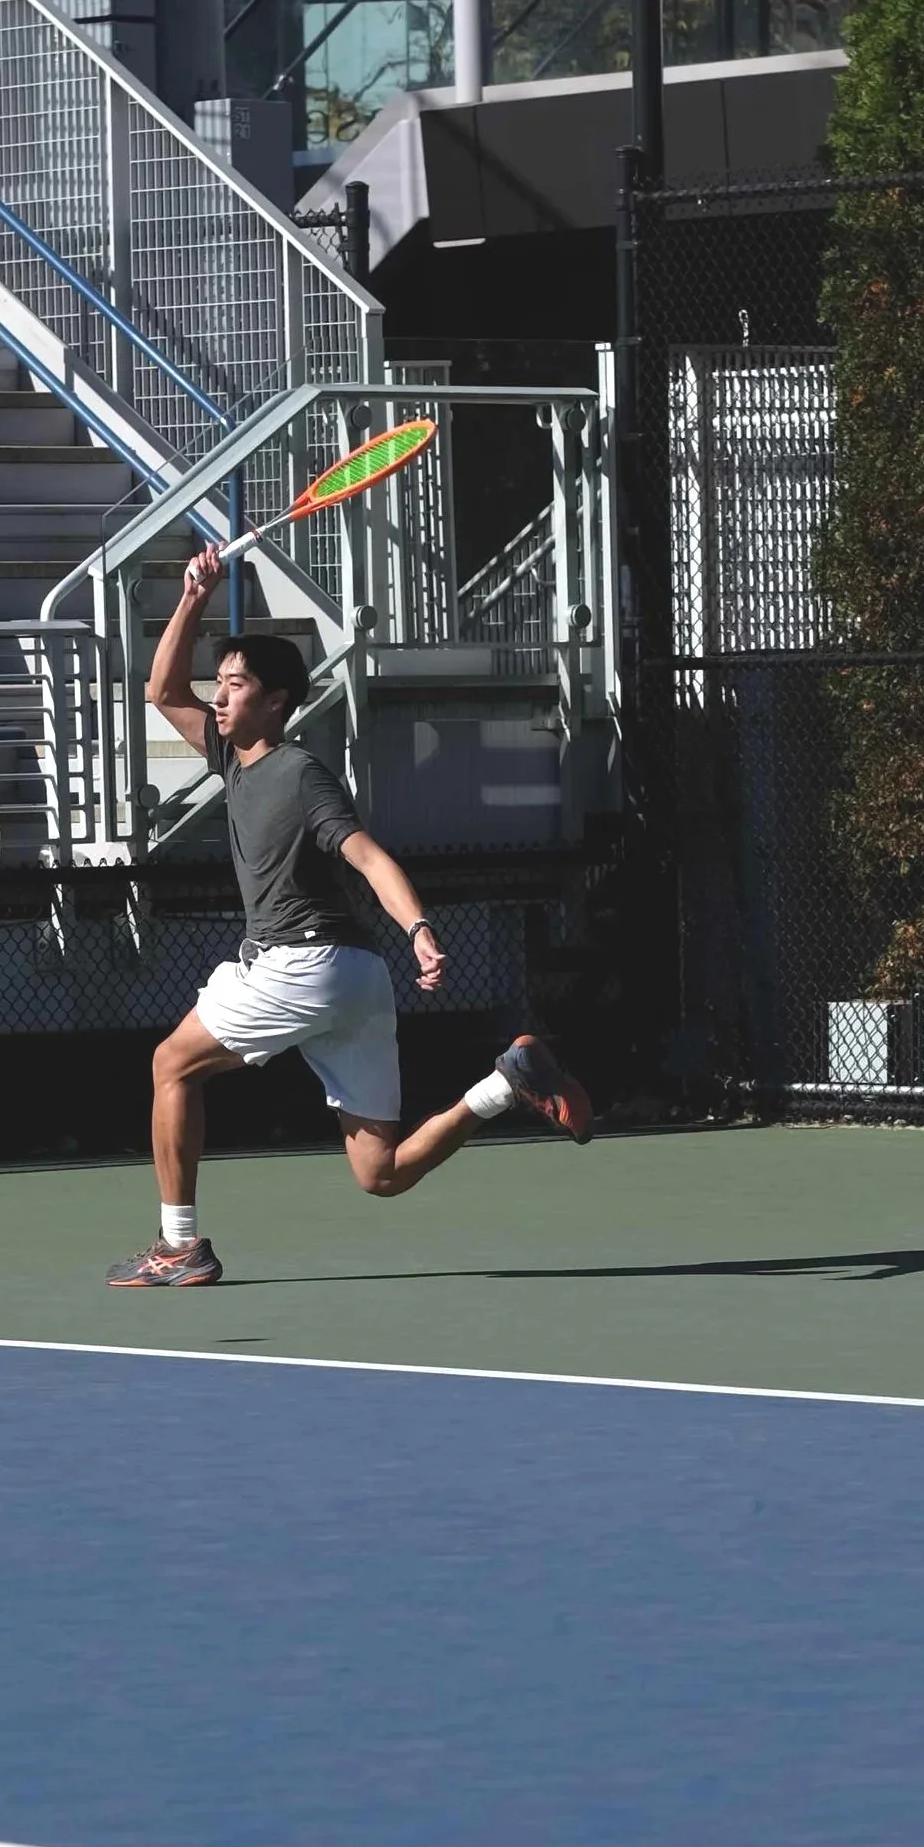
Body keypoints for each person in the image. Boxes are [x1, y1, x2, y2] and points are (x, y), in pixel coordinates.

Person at [107, 544, 593, 1289]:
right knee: (382, 1172)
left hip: (301, 964)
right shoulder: (231, 761)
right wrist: (194, 595)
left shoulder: (300, 773)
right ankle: (506, 1082)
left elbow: (365, 854)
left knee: (171, 1065)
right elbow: (161, 686)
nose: (219, 696)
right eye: (221, 683)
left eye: (236, 685)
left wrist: (419, 926)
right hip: (355, 981)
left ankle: (179, 1246)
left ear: (275, 702)